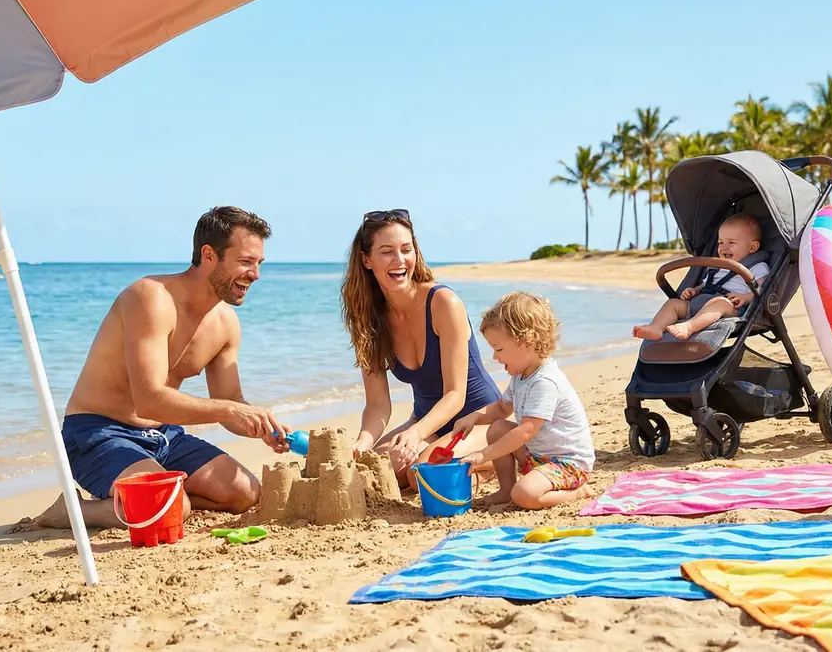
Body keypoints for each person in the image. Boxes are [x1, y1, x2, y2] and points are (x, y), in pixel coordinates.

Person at [31, 206, 292, 529]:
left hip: (163, 435)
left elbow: (230, 399)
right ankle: (73, 512)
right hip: (98, 433)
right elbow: (149, 399)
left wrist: (261, 425)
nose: (255, 274)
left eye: (258, 264)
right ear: (209, 254)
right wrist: (230, 410)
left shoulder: (226, 324)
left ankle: (160, 498)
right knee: (168, 510)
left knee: (245, 494)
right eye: (245, 262)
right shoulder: (151, 298)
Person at [341, 209, 501, 478]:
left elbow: (455, 395)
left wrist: (414, 434)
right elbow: (378, 404)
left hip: (478, 420)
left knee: (423, 474)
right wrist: (362, 443)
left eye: (406, 249)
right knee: (372, 471)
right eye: (387, 251)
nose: (399, 260)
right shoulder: (367, 320)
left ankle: (498, 459)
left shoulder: (443, 303)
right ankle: (462, 466)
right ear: (366, 260)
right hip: (429, 425)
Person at [453, 292, 596, 509]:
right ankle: (505, 490)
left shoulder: (545, 382)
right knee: (498, 428)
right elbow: (502, 408)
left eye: (499, 349)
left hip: (567, 464)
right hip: (539, 456)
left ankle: (578, 493)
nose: (495, 357)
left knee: (524, 495)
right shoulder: (521, 376)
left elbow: (525, 431)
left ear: (525, 342)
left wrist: (483, 455)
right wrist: (473, 418)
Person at [632, 213, 769, 342]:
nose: (723, 247)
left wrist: (745, 297)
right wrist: (695, 290)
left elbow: (762, 289)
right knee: (673, 304)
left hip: (731, 307)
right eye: (720, 242)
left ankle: (689, 327)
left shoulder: (757, 267)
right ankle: (656, 327)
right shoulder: (718, 266)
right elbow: (706, 283)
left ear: (752, 247)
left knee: (719, 302)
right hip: (702, 301)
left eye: (731, 243)